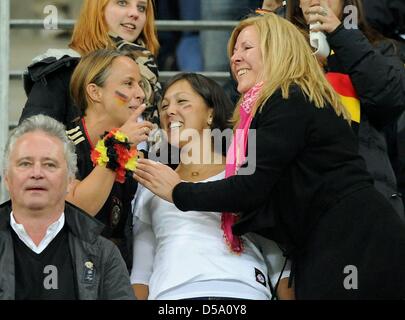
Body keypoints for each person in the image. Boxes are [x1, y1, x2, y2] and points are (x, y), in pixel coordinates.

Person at [133, 13, 405, 299]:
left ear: (277, 50)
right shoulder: (268, 107)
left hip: (354, 239)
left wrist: (178, 192)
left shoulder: (288, 98)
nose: (235, 58)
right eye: (234, 51)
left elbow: (249, 190)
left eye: (246, 48)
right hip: (327, 241)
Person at [130, 73, 292, 300]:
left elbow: (277, 261)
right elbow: (140, 274)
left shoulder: (246, 176)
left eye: (182, 102)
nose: (169, 111)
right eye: (164, 105)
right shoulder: (153, 183)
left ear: (211, 113)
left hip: (243, 293)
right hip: (173, 297)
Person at [286, 0, 405, 217]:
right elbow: (247, 113)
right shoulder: (280, 53)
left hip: (366, 198)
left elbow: (389, 98)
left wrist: (339, 33)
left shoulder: (384, 49)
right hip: (299, 204)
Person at [0, 114, 135, 300]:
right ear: (7, 178)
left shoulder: (104, 255)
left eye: (50, 164)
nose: (37, 173)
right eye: (25, 163)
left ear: (70, 180)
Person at [65, 49, 153, 269]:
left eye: (140, 84)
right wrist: (118, 146)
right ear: (95, 92)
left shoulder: (134, 149)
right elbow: (79, 213)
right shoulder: (60, 144)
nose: (140, 93)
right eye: (128, 83)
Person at [20, 0, 161, 128]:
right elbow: (33, 142)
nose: (134, 13)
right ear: (98, 9)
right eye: (122, 3)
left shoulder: (148, 69)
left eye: (141, 8)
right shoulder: (64, 69)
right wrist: (116, 144)